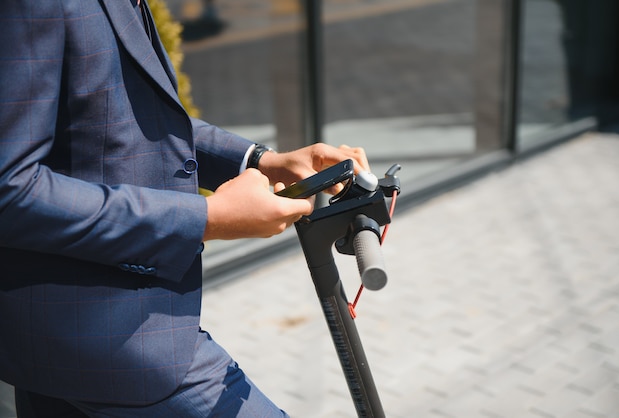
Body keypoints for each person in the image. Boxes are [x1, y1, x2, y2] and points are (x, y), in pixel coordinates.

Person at [0, 1, 369, 416]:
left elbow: (131, 121)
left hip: (71, 336)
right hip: (111, 337)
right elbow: (9, 190)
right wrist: (207, 218)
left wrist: (261, 160)